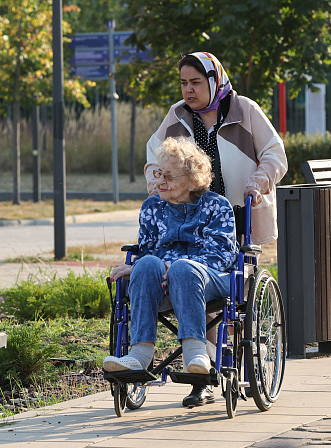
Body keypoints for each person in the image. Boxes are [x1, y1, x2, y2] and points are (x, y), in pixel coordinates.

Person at [145, 52, 288, 407]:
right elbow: (153, 154)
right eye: (183, 83)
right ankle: (204, 374)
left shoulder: (245, 110)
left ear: (214, 81)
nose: (188, 90)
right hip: (190, 215)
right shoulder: (177, 116)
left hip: (239, 215)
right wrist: (156, 181)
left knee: (227, 295)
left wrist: (260, 178)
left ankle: (213, 367)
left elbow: (275, 152)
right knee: (198, 288)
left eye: (195, 82)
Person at [103, 137, 239, 381]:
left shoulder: (218, 206)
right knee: (144, 264)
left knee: (184, 269)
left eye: (169, 176)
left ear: (191, 180)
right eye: (159, 173)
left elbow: (221, 256)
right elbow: (147, 251)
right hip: (165, 283)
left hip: (211, 281)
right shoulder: (152, 207)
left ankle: (196, 354)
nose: (159, 181)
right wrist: (135, 267)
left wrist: (174, 266)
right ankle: (140, 354)